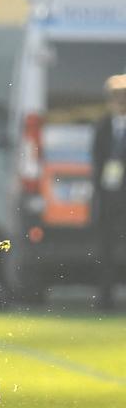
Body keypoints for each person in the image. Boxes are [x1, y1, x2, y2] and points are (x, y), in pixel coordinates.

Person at [91, 74, 126, 310]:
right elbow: (97, 160)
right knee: (106, 249)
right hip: (108, 197)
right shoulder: (103, 126)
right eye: (116, 98)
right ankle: (106, 298)